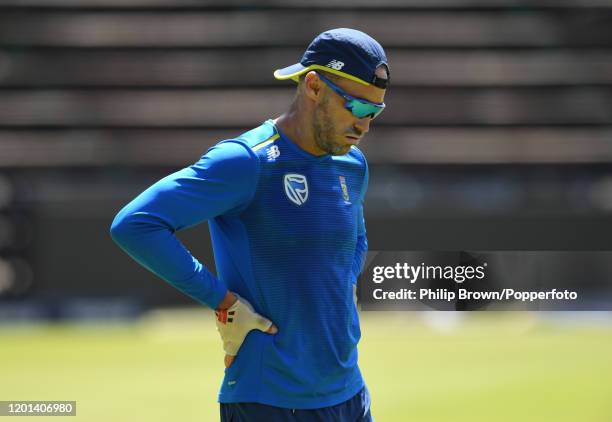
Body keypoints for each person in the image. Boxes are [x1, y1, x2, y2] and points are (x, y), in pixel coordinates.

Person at [110, 27, 389, 422]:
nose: (365, 125)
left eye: (375, 112)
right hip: (270, 404)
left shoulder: (352, 165)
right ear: (313, 86)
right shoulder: (246, 161)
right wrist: (221, 302)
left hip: (350, 397)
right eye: (357, 108)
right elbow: (135, 224)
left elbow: (355, 241)